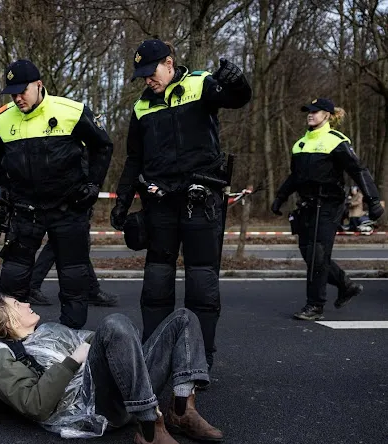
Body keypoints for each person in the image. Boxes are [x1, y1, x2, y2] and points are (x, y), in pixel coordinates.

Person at [110, 39, 252, 370]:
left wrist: (237, 80)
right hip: (159, 204)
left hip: (200, 201)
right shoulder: (141, 107)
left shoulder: (200, 84)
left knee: (202, 282)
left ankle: (199, 359)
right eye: (142, 74)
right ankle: (154, 354)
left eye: (151, 71)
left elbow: (238, 99)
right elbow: (134, 159)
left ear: (170, 64)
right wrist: (121, 201)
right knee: (157, 281)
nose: (147, 79)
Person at [0, 294, 222, 444]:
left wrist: (107, 344)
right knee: (115, 323)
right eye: (18, 304)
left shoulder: (47, 331)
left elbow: (93, 339)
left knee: (183, 318)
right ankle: (149, 429)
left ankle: (181, 410)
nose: (27, 303)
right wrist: (73, 359)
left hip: (124, 388)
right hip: (93, 407)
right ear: (8, 321)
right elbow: (34, 405)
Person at [0, 59, 114, 329]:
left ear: (39, 85)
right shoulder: (2, 119)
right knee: (13, 279)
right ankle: (11, 339)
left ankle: (70, 337)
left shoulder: (71, 111)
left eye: (22, 91)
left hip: (68, 208)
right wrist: (2, 186)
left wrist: (93, 185)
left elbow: (103, 146)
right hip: (25, 210)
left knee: (74, 277)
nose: (17, 98)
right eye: (13, 93)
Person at [271, 98, 384, 320]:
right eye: (308, 111)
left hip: (329, 206)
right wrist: (280, 198)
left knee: (317, 255)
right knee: (309, 253)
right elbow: (295, 177)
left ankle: (315, 306)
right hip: (306, 207)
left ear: (327, 116)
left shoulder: (336, 141)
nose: (310, 114)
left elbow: (358, 171)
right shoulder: (300, 144)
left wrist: (373, 201)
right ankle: (346, 285)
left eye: (316, 111)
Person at [28, 213, 119, 307]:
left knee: (61, 246)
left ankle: (32, 286)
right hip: (68, 210)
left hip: (68, 210)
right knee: (68, 245)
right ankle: (92, 290)